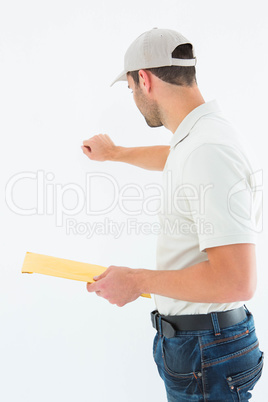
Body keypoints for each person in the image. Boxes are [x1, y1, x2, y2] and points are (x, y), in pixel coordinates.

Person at [81, 28, 264, 401]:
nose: (134, 96)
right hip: (204, 346)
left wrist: (136, 281)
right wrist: (116, 154)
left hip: (207, 351)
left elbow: (236, 281)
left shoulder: (206, 149)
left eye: (131, 88)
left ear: (144, 80)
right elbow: (174, 159)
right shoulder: (199, 137)